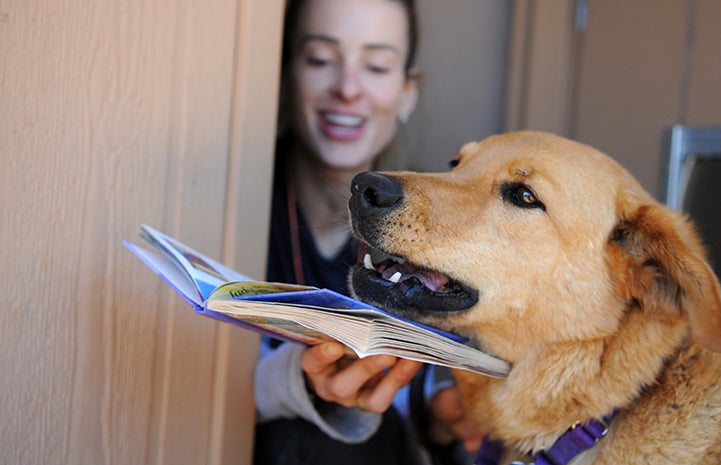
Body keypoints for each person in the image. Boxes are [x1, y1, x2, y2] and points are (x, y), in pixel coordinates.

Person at [253, 0, 482, 463]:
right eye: (320, 60)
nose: (348, 89)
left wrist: (437, 417)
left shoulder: (433, 227)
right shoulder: (221, 205)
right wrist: (294, 382)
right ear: (284, 73)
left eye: (376, 66)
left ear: (407, 92)